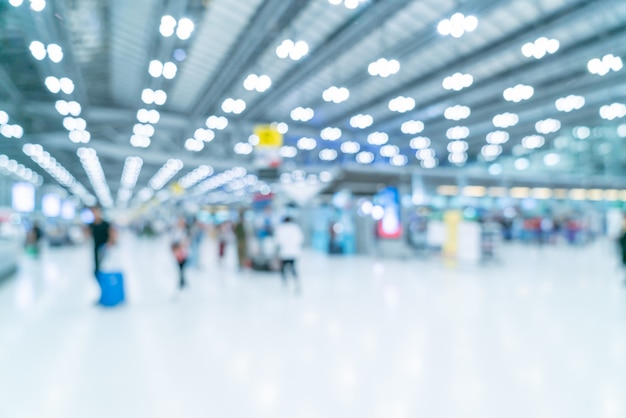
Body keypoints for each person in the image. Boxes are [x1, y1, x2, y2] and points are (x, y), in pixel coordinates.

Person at [274, 216, 304, 289]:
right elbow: (301, 239)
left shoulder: (280, 228)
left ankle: (285, 281)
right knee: (293, 267)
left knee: (283, 267)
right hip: (294, 251)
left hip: (284, 252)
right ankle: (296, 281)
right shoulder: (296, 228)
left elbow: (277, 241)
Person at [87, 206, 115, 277]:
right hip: (96, 245)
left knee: (105, 262)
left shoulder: (105, 224)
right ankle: (97, 273)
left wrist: (110, 241)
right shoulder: (91, 224)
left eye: (96, 212)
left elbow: (111, 232)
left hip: (104, 245)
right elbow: (88, 234)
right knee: (96, 261)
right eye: (93, 212)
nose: (95, 214)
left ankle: (104, 274)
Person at [171, 217, 190, 290]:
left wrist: (182, 245)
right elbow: (173, 242)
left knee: (183, 267)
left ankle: (182, 281)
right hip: (177, 252)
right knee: (180, 267)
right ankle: (182, 281)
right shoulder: (175, 231)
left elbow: (187, 241)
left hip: (184, 252)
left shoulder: (185, 231)